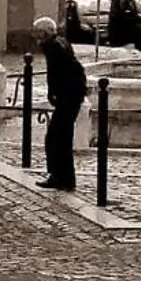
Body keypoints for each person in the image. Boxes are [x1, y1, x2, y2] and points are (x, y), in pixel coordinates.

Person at [33, 15, 89, 193]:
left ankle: (59, 177)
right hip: (72, 95)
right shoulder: (60, 43)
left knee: (56, 138)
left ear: (45, 32)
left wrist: (57, 94)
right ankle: (64, 178)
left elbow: (58, 73)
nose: (35, 36)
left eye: (38, 32)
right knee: (61, 137)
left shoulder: (53, 47)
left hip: (68, 97)